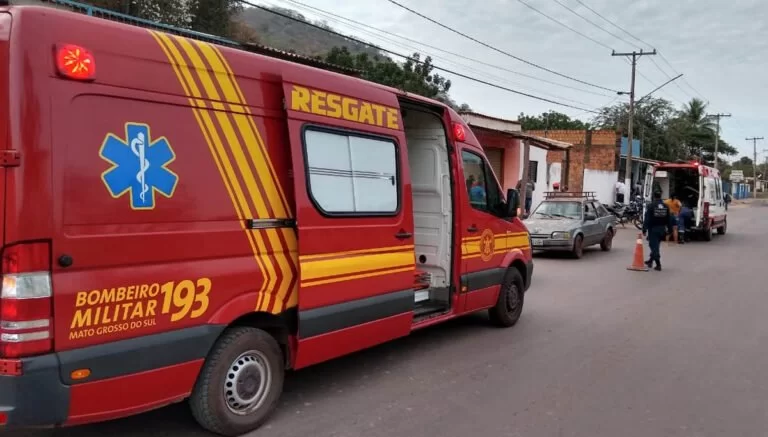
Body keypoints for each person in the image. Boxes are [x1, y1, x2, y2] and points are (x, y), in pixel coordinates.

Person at [643, 190, 674, 271]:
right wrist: (670, 230)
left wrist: (644, 229)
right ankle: (650, 261)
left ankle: (658, 265)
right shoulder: (665, 206)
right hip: (662, 229)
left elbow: (647, 218)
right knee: (655, 245)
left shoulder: (651, 206)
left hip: (653, 229)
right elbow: (669, 219)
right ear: (661, 196)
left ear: (654, 196)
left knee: (653, 246)